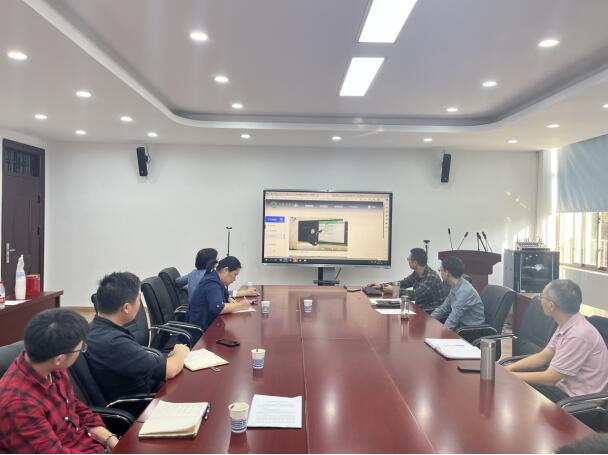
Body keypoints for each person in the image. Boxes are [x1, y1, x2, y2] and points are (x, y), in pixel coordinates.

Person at [0, 309, 117, 453]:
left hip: (91, 445)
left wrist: (110, 439)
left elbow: (76, 408)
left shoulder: (52, 368)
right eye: (80, 348)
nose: (81, 351)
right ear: (59, 359)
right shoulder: (18, 405)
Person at [86, 272, 191, 403]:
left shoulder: (96, 328)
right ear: (126, 308)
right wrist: (181, 352)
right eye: (138, 299)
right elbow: (171, 370)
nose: (139, 303)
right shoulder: (115, 343)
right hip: (143, 402)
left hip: (142, 386)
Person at [505, 279, 608, 402]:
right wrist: (508, 369)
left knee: (515, 393)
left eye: (542, 296)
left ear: (551, 306)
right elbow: (543, 356)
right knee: (513, 389)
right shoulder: (568, 324)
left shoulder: (578, 335)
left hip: (576, 402)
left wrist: (510, 376)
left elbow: (550, 379)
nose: (540, 299)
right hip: (562, 389)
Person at [368, 248, 444, 311]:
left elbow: (415, 295)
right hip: (421, 309)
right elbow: (403, 283)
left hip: (432, 313)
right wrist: (381, 286)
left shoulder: (431, 277)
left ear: (415, 262)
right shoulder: (417, 273)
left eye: (409, 259)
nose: (407, 260)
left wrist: (394, 290)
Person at [187, 256, 252, 330]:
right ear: (226, 270)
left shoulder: (215, 278)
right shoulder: (211, 283)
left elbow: (224, 295)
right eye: (235, 274)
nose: (235, 279)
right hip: (201, 330)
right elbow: (218, 307)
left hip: (209, 323)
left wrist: (228, 299)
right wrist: (241, 305)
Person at [176, 248, 258, 298]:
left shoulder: (192, 274)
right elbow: (222, 294)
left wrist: (189, 286)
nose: (218, 261)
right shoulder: (209, 276)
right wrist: (244, 293)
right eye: (216, 259)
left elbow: (177, 281)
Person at [431, 256, 485, 330]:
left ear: (447, 272)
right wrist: (428, 320)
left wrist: (439, 334)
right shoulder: (456, 285)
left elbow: (452, 320)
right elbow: (443, 308)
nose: (440, 272)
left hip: (473, 330)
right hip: (462, 325)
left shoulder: (464, 292)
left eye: (441, 269)